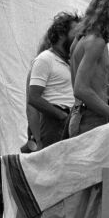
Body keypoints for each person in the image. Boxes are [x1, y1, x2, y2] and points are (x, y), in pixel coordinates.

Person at [68, 0, 109, 137]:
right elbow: (80, 89)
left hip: (80, 114)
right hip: (91, 118)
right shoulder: (97, 41)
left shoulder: (80, 38)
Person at [27, 12, 80, 149]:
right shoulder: (45, 59)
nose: (80, 37)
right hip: (55, 123)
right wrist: (62, 116)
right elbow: (33, 98)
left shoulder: (68, 61)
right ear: (62, 34)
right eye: (76, 32)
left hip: (69, 120)